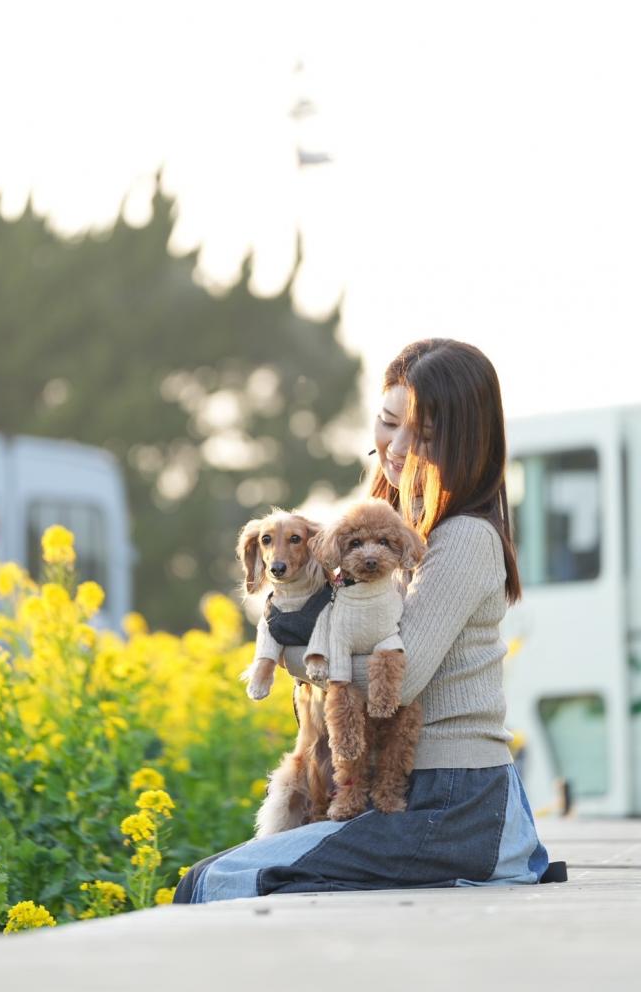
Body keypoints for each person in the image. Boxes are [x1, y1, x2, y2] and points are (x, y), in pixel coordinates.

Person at [174, 338, 551, 904]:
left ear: (464, 444)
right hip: (412, 797)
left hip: (455, 807)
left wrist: (281, 650)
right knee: (218, 874)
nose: (396, 447)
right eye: (387, 422)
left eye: (422, 435)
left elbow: (401, 676)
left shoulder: (464, 537)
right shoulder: (397, 531)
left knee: (218, 882)